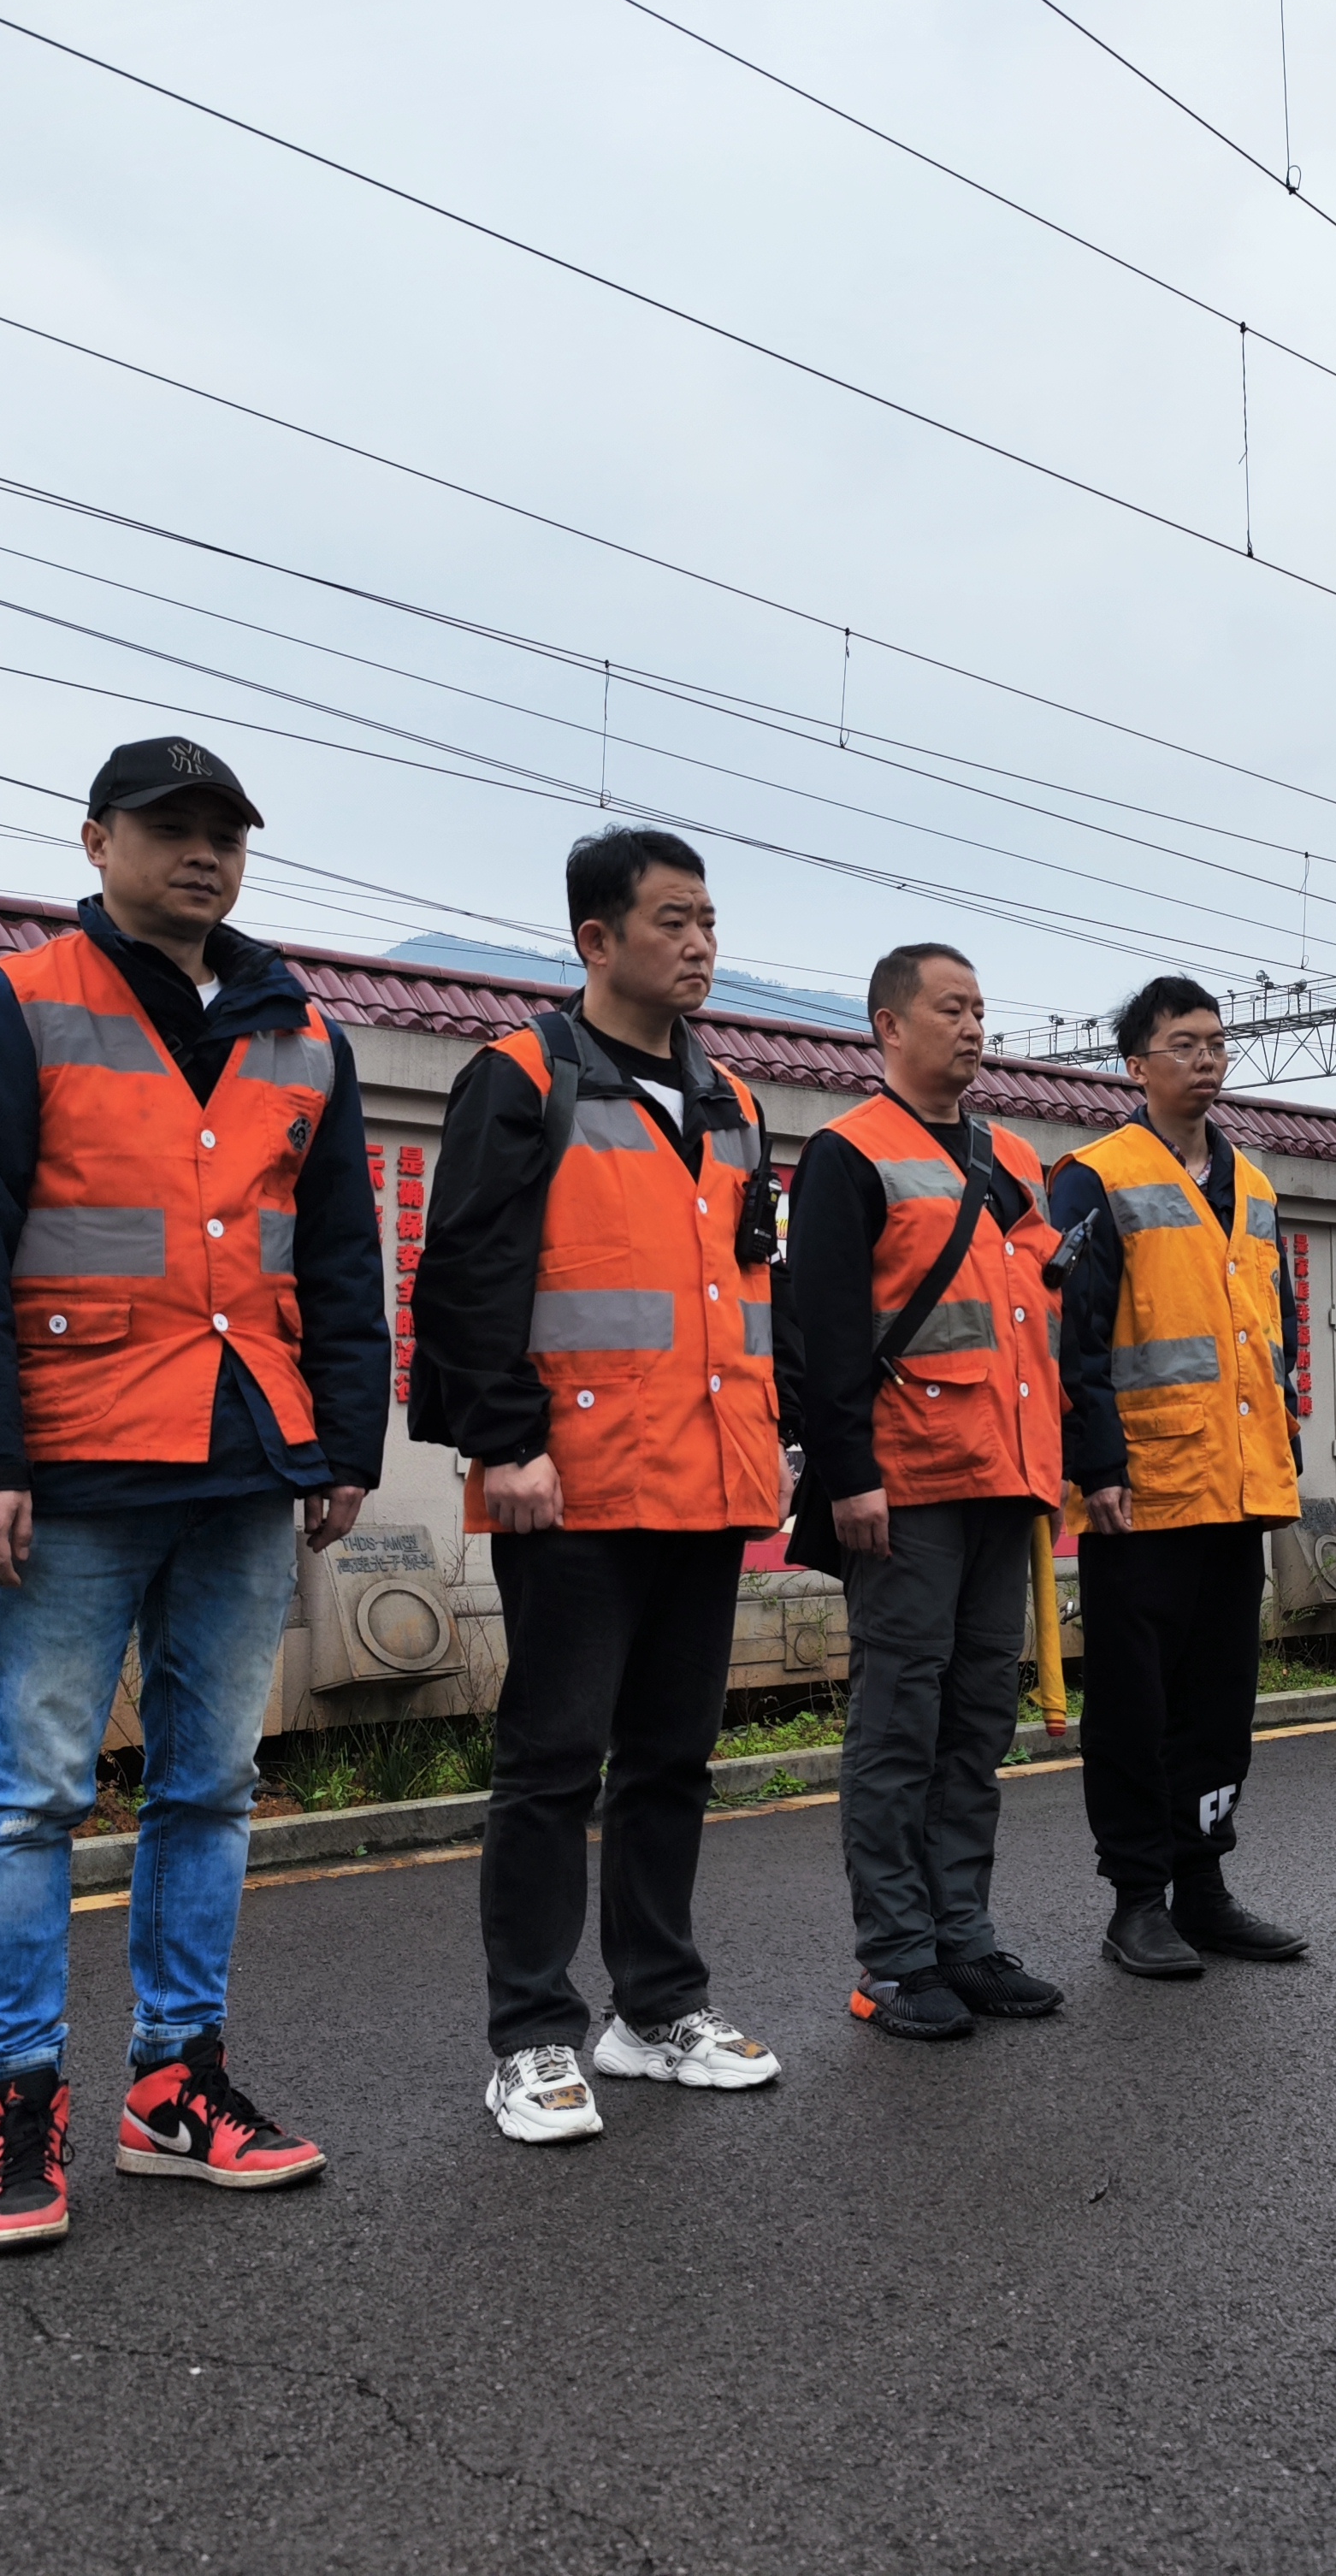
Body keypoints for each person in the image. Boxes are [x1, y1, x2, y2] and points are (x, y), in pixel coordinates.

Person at [0, 735, 387, 2252]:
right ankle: (15, 2108)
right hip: (75, 1464)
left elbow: (340, 1255)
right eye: (170, 829)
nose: (204, 854)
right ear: (99, 838)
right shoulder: (14, 1006)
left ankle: (177, 2084)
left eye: (225, 833)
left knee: (210, 1784)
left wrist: (345, 1442)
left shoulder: (299, 1028)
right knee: (30, 1789)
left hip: (249, 1458)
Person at [409, 827, 794, 2142]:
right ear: (596, 940)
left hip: (711, 1476)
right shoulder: (519, 1079)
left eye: (708, 921)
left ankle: (655, 2009)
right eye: (673, 921)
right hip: (573, 1481)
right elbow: (465, 1274)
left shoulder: (733, 1097)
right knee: (553, 1761)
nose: (700, 945)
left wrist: (775, 1440)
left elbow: (746, 1290)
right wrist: (504, 1443)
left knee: (674, 1760)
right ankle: (530, 2035)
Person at [789, 943, 1067, 2039]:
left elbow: (1037, 1315)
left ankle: (965, 1937)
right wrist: (848, 1474)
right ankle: (894, 1960)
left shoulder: (1013, 1159)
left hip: (1004, 1480)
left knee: (975, 1724)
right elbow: (818, 1328)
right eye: (950, 1008)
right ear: (887, 1027)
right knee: (899, 1726)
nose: (973, 1026)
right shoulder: (846, 1155)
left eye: (981, 1008)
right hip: (904, 1487)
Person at [1048, 977, 1309, 1977]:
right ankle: (1136, 1900)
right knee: (1133, 1703)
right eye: (1182, 1044)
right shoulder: (1096, 1176)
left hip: (1239, 1489)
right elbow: (1074, 1341)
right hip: (1143, 1493)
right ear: (1135, 1066)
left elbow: (1272, 1342)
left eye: (1216, 1043)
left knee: (1217, 1702)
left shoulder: (1257, 1186)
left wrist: (1280, 1447)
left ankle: (1204, 1887)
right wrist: (1098, 1463)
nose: (1204, 1060)